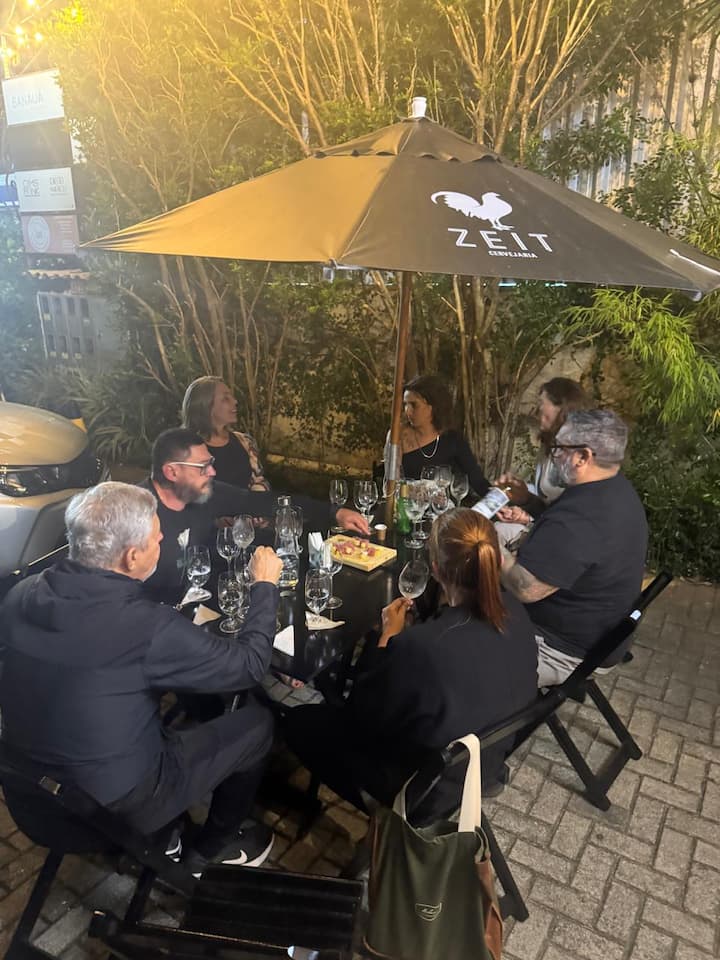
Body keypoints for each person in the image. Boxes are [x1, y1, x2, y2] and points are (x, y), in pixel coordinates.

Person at [0, 482, 284, 876]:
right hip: (106, 814)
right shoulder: (146, 626)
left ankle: (167, 839)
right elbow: (249, 665)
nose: (162, 540)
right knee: (257, 724)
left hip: (31, 800)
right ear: (132, 556)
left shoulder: (21, 593)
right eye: (156, 537)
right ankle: (211, 850)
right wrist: (265, 586)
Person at [284, 509, 538, 812]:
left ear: (436, 570)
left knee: (299, 721)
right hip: (484, 764)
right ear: (495, 560)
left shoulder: (423, 646)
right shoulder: (516, 611)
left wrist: (387, 637)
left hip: (423, 791)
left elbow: (360, 716)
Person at [499, 409, 648, 687]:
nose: (554, 455)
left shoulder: (582, 518)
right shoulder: (613, 487)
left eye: (559, 448)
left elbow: (525, 588)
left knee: (458, 628)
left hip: (561, 648)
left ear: (582, 457)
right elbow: (563, 532)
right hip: (597, 628)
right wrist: (527, 500)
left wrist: (488, 546)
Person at [140, 428, 369, 604]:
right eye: (203, 467)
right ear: (172, 472)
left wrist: (334, 512)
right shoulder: (135, 515)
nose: (212, 472)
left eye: (211, 464)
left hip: (198, 605)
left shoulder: (205, 493)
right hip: (154, 623)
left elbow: (264, 502)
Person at [494, 377, 590, 544]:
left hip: (565, 538)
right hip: (545, 523)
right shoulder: (548, 445)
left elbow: (573, 517)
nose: (537, 409)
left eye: (541, 403)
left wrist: (528, 518)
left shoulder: (579, 457)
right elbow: (544, 496)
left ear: (561, 409)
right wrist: (521, 496)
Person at [394, 374, 490, 498]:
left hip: (444, 507)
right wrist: (422, 493)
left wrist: (503, 498)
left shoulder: (453, 440)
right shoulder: (399, 436)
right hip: (407, 507)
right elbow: (392, 484)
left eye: (414, 405)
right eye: (405, 404)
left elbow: (479, 482)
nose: (407, 411)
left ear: (433, 406)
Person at [182, 376, 270, 491]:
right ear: (206, 406)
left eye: (231, 397)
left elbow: (259, 482)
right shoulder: (184, 451)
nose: (235, 401)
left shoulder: (245, 442)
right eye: (225, 398)